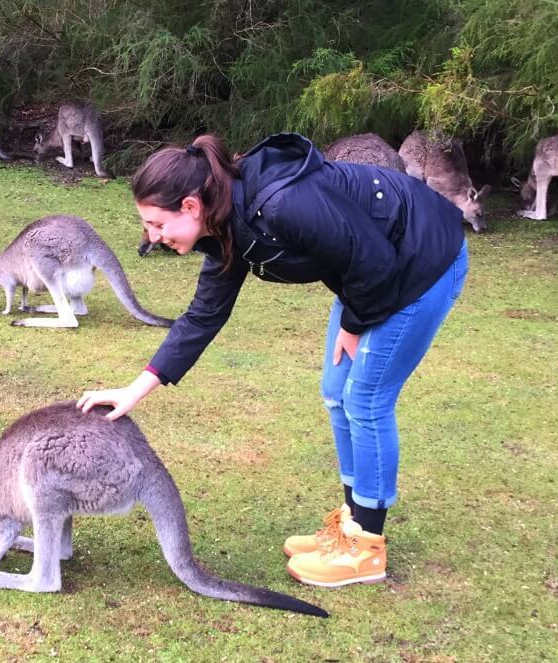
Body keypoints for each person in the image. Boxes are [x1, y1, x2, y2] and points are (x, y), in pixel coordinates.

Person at [77, 132, 469, 587]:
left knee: (365, 400)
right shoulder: (226, 225)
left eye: (156, 224)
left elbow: (374, 261)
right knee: (335, 394)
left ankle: (366, 549)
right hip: (367, 274)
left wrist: (354, 324)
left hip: (421, 261)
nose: (152, 237)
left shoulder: (281, 204)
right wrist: (135, 389)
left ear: (189, 206)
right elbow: (203, 316)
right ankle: (350, 526)